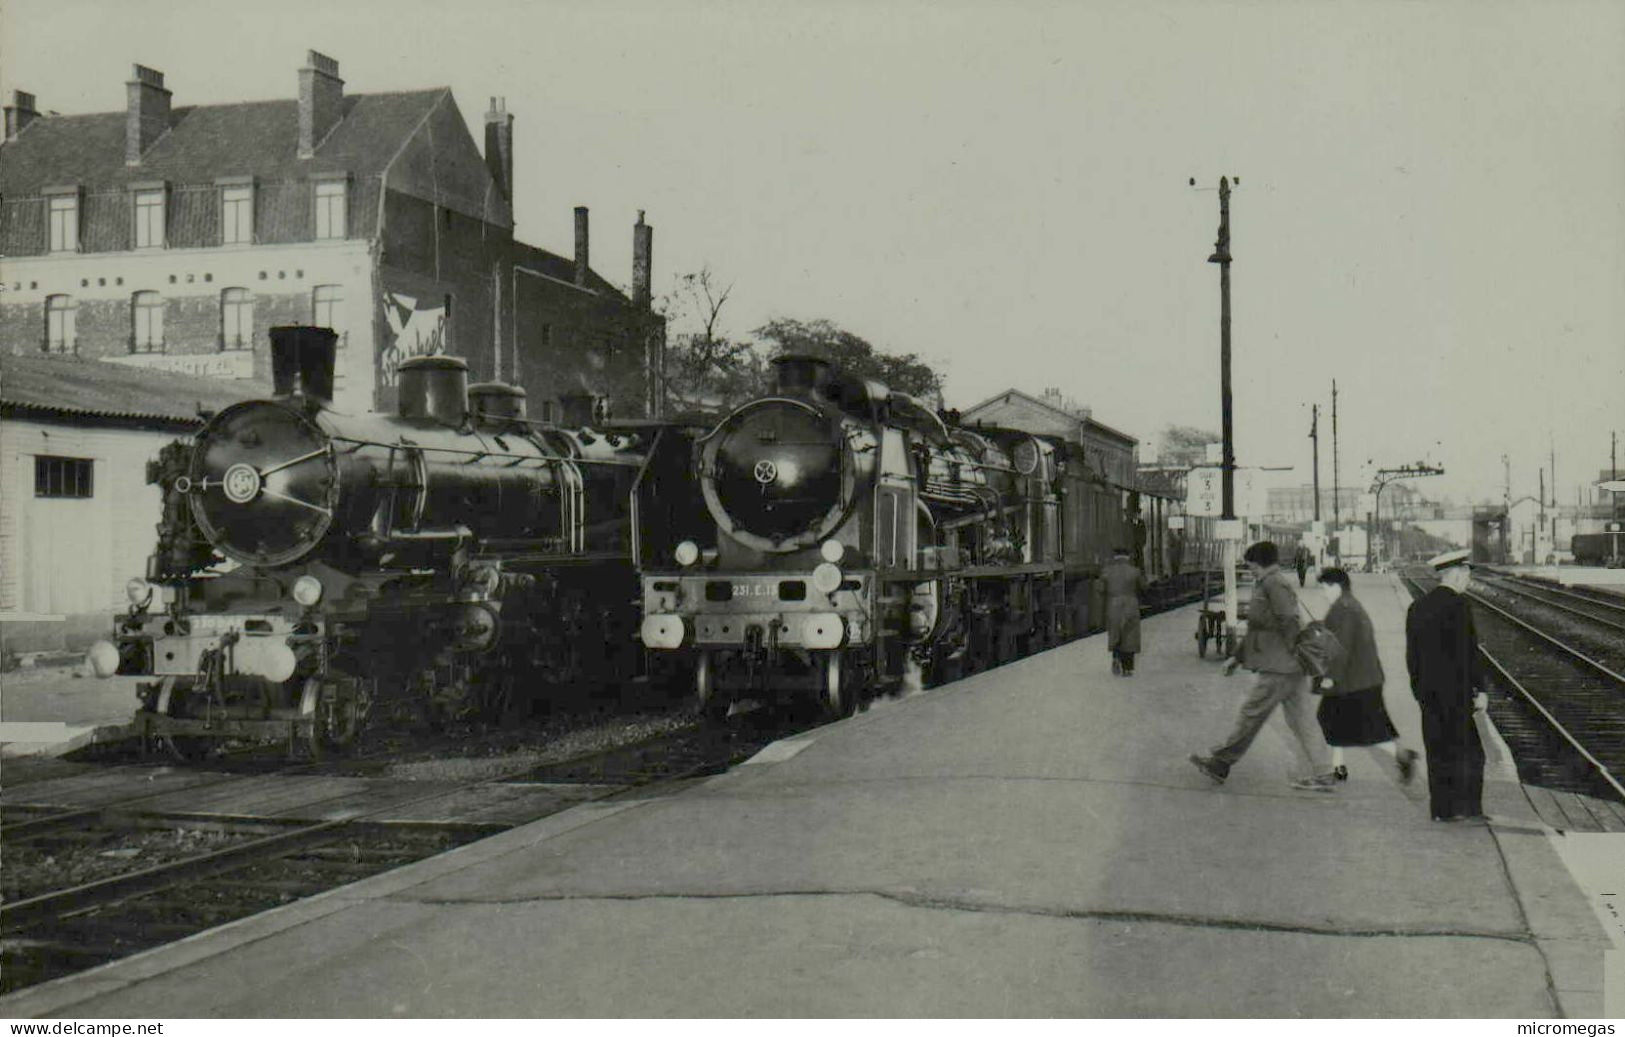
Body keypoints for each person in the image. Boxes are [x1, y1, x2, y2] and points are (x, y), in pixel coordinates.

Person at [1190, 540, 1339, 791]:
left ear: (1262, 564)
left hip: (1279, 666)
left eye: (1253, 568)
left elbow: (1289, 618)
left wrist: (1292, 650)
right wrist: (1236, 658)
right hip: (1287, 666)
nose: (1251, 572)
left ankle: (1220, 762)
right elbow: (1257, 630)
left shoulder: (1273, 583)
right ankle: (1324, 773)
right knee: (1302, 720)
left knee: (1251, 714)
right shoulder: (1270, 582)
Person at [1313, 567, 1419, 784]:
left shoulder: (1343, 609)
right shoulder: (1348, 605)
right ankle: (1338, 767)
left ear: (1337, 587)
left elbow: (1341, 646)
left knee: (1362, 729)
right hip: (1365, 679)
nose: (1323, 593)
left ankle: (1402, 756)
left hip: (1354, 682)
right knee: (1335, 721)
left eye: (1325, 588)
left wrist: (1330, 676)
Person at [1406, 549, 1487, 822]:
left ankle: (1441, 810)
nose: (1467, 581)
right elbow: (1469, 652)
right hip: (1456, 693)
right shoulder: (1459, 606)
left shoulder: (1417, 607)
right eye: (1465, 575)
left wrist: (1418, 690)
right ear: (1454, 574)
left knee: (1437, 751)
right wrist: (1481, 690)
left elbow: (1412, 657)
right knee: (1472, 754)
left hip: (1428, 693)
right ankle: (1469, 809)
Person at [1103, 547, 1147, 676]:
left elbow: (1100, 588)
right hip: (1130, 604)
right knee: (1130, 636)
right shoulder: (1135, 571)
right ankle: (1128, 668)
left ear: (1115, 557)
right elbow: (1144, 587)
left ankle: (1116, 657)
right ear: (1128, 557)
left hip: (1113, 604)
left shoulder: (1107, 571)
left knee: (1116, 633)